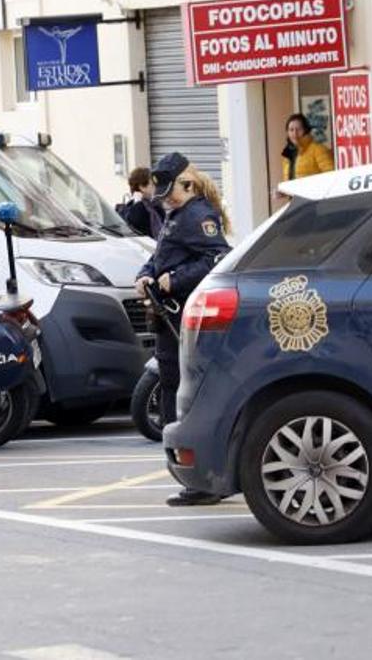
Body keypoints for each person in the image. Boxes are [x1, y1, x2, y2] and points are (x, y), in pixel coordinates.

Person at [132, 153, 232, 507]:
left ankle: (201, 482)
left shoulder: (199, 215)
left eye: (169, 190)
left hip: (184, 320)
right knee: (176, 394)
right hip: (169, 320)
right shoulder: (178, 214)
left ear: (186, 184)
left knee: (185, 398)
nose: (165, 197)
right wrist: (146, 274)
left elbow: (217, 258)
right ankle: (195, 479)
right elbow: (161, 255)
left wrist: (175, 279)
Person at [281, 113, 334, 182]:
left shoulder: (318, 149)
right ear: (287, 132)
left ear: (306, 130)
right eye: (291, 130)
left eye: (299, 129)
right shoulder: (288, 154)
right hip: (293, 192)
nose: (295, 133)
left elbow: (331, 175)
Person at [117, 166, 164, 238]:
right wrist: (138, 203)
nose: (155, 187)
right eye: (152, 184)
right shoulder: (134, 209)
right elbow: (134, 224)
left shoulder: (155, 205)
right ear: (142, 187)